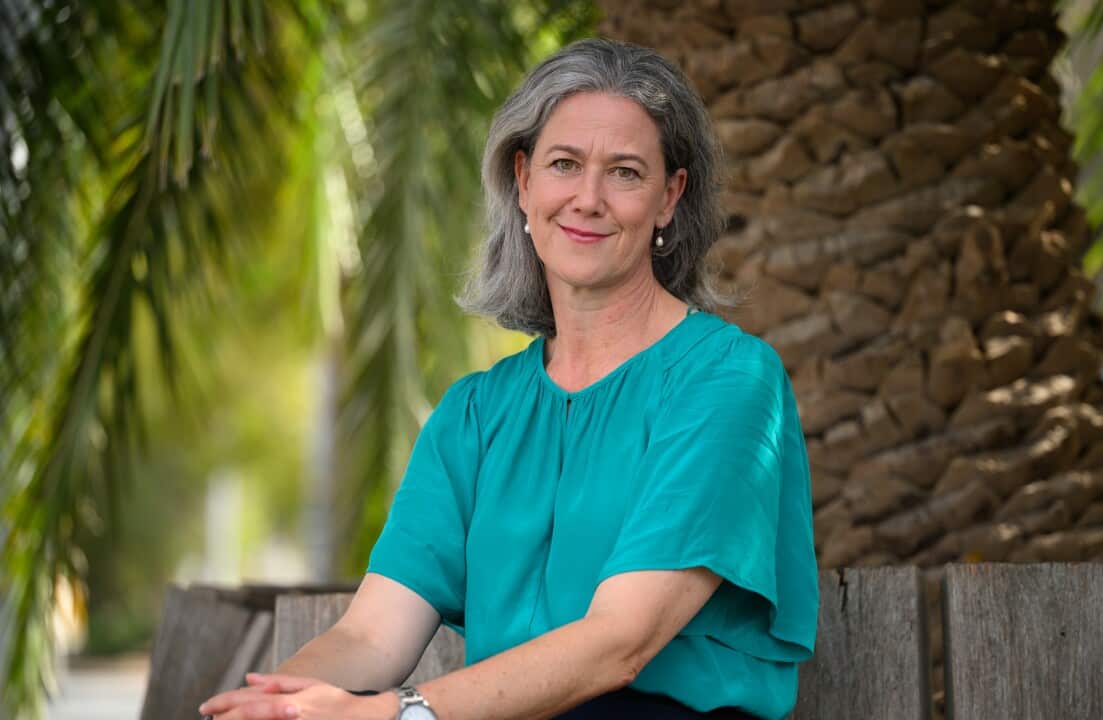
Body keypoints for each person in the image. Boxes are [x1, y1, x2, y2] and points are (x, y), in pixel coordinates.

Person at [199, 38, 818, 720]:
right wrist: (272, 706)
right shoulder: (475, 415)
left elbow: (621, 644)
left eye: (625, 173)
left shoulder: (726, 381)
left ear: (670, 197)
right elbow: (371, 635)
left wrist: (390, 715)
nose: (588, 198)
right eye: (564, 164)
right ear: (522, 182)